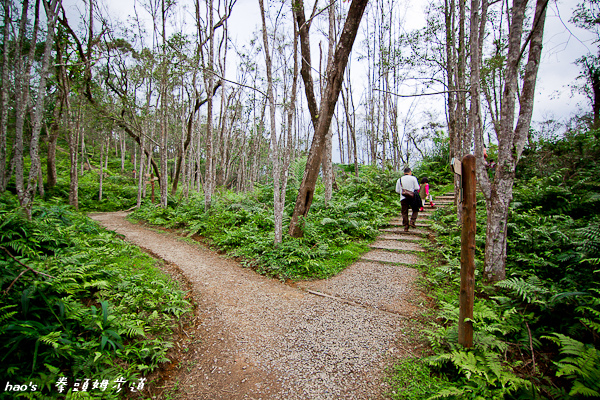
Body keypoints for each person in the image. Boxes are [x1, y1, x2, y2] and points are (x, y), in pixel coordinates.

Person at [395, 167, 420, 232]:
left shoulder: (399, 179)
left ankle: (406, 226)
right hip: (412, 197)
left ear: (404, 173)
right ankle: (412, 221)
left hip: (403, 198)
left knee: (404, 212)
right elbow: (417, 188)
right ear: (410, 172)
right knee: (415, 209)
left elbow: (397, 190)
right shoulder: (413, 178)